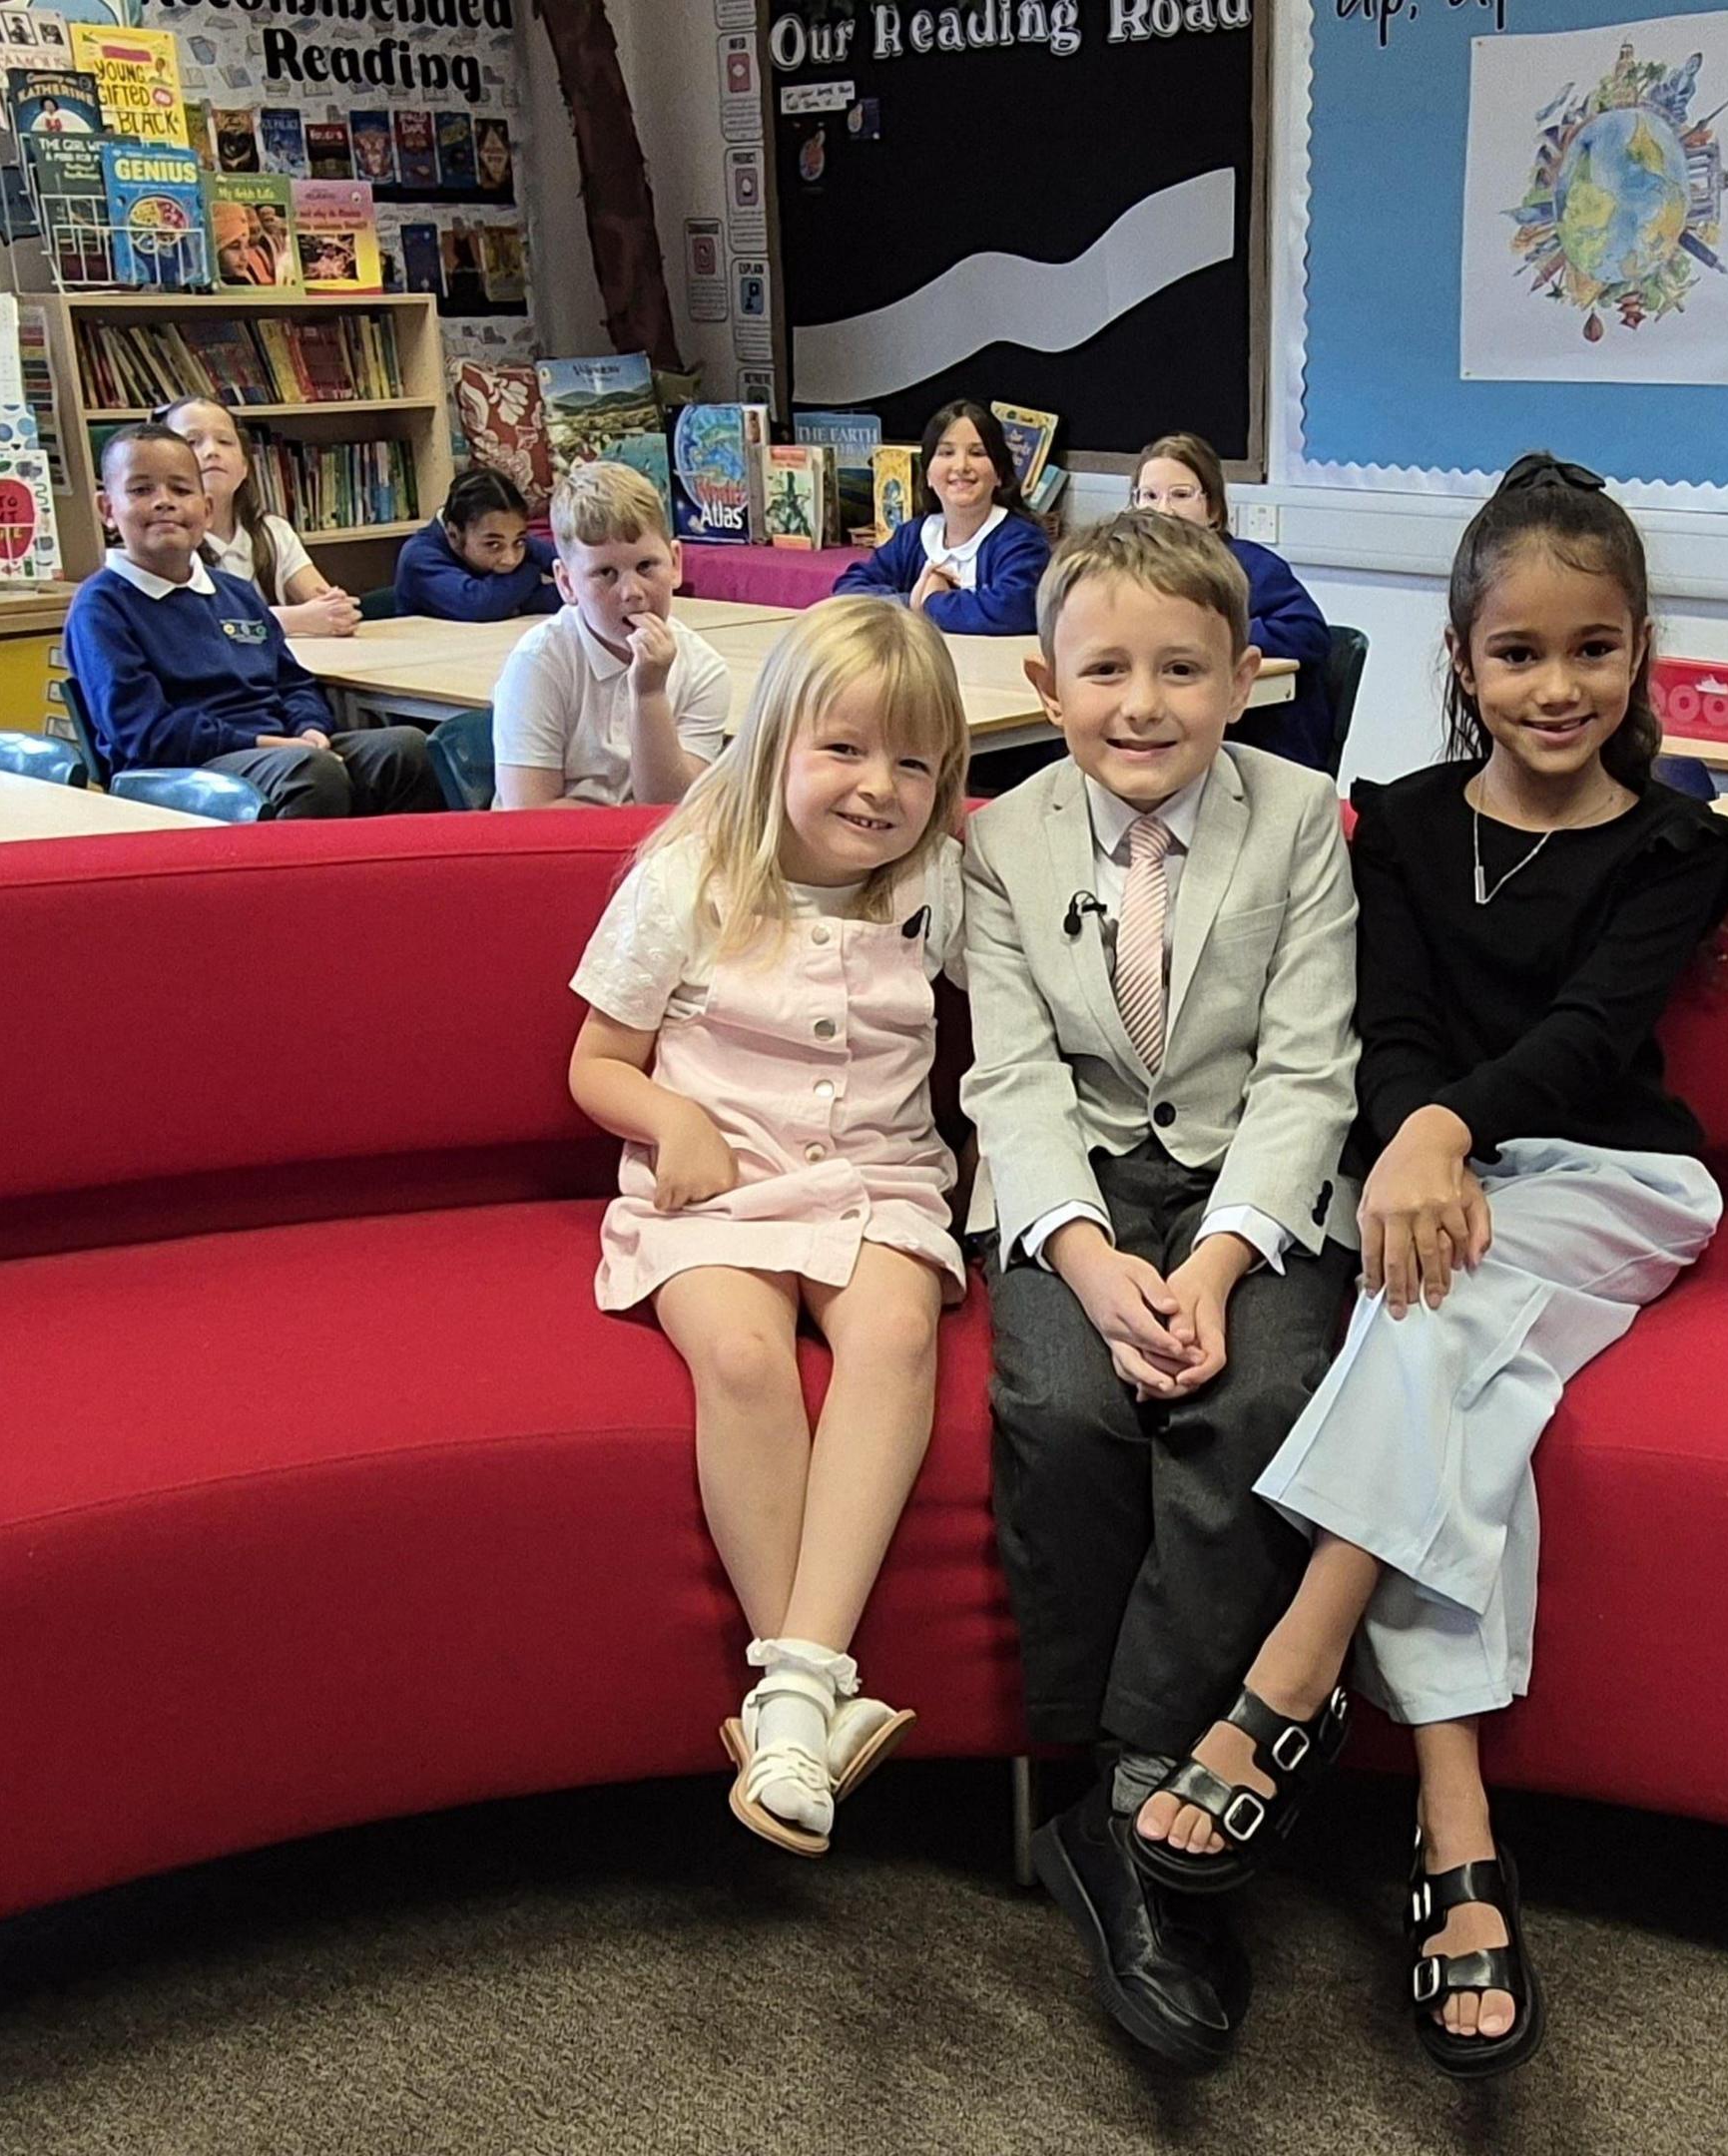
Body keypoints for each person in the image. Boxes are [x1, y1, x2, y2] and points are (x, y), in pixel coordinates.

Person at [1126, 454, 1728, 2081]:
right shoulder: (1396, 826)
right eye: (1521, 652)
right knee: (1453, 1359)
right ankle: (1455, 1830)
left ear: (1640, 656)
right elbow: (1388, 1025)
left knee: (1432, 1301)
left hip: (1609, 1181)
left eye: (1595, 649)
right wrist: (1418, 1133)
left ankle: (1292, 1669)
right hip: (1435, 1188)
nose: (1559, 686)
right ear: (1462, 665)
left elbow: (1590, 1040)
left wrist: (1436, 1139)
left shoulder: (1686, 850)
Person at [963, 512, 1361, 2072]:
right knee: (1062, 1407)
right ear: (1043, 679)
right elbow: (1009, 1076)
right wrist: (1083, 1252)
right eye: (1105, 669)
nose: (1143, 705)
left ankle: (1127, 1803)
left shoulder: (1304, 823)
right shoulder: (1002, 841)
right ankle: (1120, 1784)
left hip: (1247, 1199)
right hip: (1075, 1199)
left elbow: (1309, 1070)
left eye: (1183, 671)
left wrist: (1211, 1260)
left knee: (1257, 1401)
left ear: (1248, 681)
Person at [564, 598, 973, 1855]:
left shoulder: (937, 886)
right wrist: (667, 1120)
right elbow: (596, 1063)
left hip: (875, 1178)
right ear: (775, 742)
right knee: (743, 1362)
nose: (878, 789)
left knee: (896, 1338)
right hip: (717, 1187)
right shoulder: (689, 875)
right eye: (845, 750)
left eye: (914, 763)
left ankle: (794, 1691)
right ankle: (804, 1699)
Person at [61, 422, 441, 817]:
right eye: (141, 490)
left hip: (280, 750)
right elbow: (145, 732)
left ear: (206, 510)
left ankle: (392, 877)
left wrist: (309, 728)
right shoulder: (100, 606)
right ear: (108, 510)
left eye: (181, 489)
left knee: (409, 749)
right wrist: (266, 744)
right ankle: (306, 879)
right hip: (177, 771)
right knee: (309, 773)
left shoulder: (236, 593)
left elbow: (293, 682)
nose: (164, 501)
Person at [488, 463, 734, 808]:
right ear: (566, 583)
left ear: (675, 562)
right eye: (605, 573)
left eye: (647, 566)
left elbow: (670, 810)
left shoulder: (704, 669)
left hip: (657, 855)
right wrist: (622, 817)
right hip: (556, 858)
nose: (632, 591)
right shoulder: (539, 662)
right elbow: (528, 817)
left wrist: (649, 693)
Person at [1129, 430, 1330, 690]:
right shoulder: (1126, 570)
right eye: (1150, 496)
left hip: (1254, 718)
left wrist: (1216, 635)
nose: (1163, 510)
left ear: (1212, 508)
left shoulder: (1251, 566)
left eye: (1180, 495)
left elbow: (1308, 634)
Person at [834, 399, 1049, 639]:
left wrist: (933, 603)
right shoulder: (912, 536)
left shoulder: (1023, 541)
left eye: (977, 453)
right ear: (927, 474)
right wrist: (913, 600)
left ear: (999, 473)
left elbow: (1014, 609)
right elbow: (849, 590)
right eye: (946, 453)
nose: (961, 466)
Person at [156, 395, 362, 642]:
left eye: (224, 441)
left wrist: (336, 610)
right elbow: (200, 628)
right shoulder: (167, 542)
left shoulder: (273, 532)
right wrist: (297, 619)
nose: (211, 451)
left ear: (244, 467)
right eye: (192, 441)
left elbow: (325, 606)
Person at [395, 467, 560, 623]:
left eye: (519, 542)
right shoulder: (419, 555)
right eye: (494, 545)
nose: (511, 559)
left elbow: (574, 573)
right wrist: (531, 573)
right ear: (454, 534)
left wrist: (511, 601)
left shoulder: (505, 536)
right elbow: (478, 605)